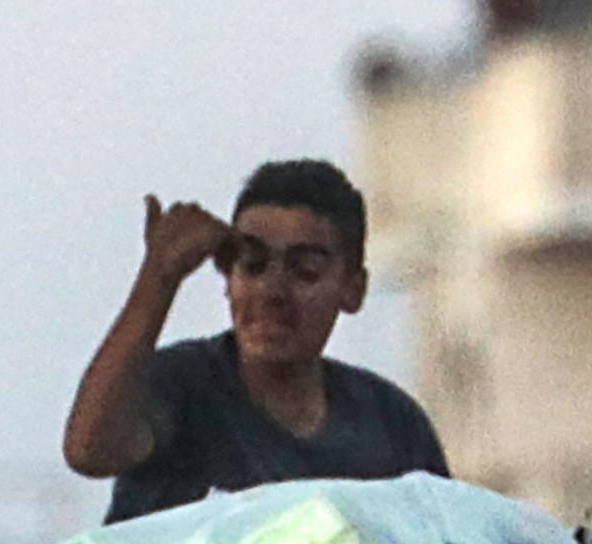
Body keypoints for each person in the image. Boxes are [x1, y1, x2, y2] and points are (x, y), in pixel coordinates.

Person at [60, 159, 451, 524]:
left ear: (353, 289)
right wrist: (160, 276)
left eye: (305, 272)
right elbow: (89, 451)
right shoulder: (182, 387)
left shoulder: (392, 424)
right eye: (252, 265)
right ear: (227, 278)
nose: (272, 291)